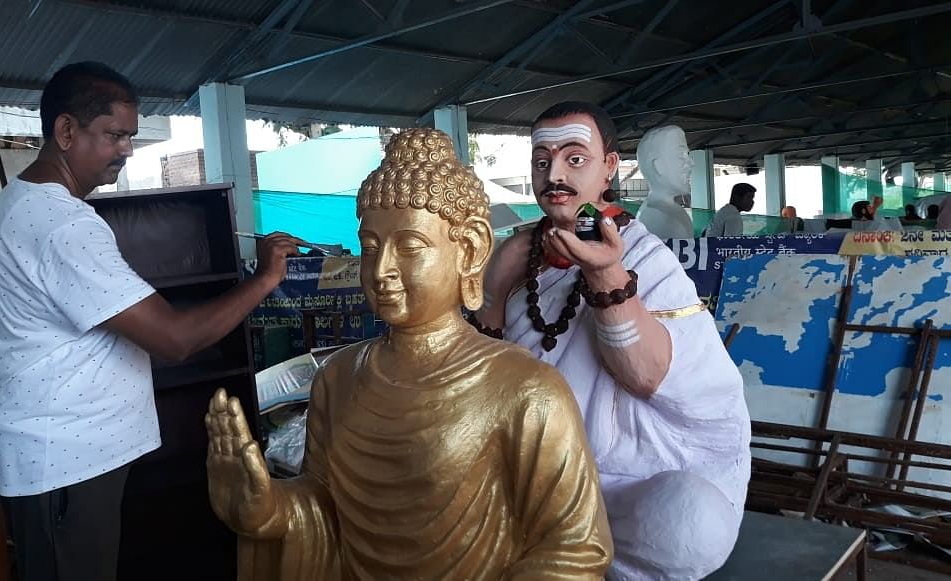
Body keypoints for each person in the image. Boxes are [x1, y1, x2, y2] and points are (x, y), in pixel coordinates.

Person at [206, 128, 612, 579]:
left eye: (410, 247)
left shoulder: (527, 390)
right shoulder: (337, 377)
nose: (381, 271)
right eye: (370, 248)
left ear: (471, 250)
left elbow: (575, 549)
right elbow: (323, 508)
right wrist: (270, 511)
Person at [0, 62, 301, 581]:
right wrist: (264, 279)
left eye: (129, 136)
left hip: (69, 460)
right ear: (65, 131)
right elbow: (176, 339)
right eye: (114, 136)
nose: (127, 151)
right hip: (65, 464)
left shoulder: (26, 204)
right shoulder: (62, 224)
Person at [476, 101, 750, 581]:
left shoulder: (646, 254)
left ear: (609, 168)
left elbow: (646, 375)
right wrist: (494, 293)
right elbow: (481, 385)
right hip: (521, 475)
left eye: (574, 158)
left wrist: (605, 274)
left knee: (689, 522)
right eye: (542, 162)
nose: (554, 174)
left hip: (620, 482)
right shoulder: (519, 256)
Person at [634, 125, 695, 240]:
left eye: (687, 154)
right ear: (658, 165)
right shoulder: (665, 219)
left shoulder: (668, 212)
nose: (691, 163)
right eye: (681, 156)